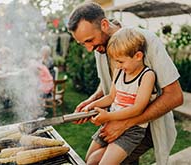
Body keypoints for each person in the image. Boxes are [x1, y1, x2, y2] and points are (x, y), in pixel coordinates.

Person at [67, 2, 183, 164]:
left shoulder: (147, 40)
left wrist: (125, 123)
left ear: (104, 24)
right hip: (116, 118)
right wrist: (91, 102)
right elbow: (111, 83)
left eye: (89, 40)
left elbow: (175, 96)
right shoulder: (100, 45)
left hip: (145, 126)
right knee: (92, 159)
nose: (88, 48)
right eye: (83, 44)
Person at [83, 28, 157, 164]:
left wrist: (108, 116)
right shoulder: (119, 71)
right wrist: (92, 105)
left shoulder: (147, 76)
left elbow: (138, 108)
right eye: (115, 61)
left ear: (138, 56)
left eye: (121, 61)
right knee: (90, 159)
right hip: (111, 122)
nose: (118, 65)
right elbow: (111, 97)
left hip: (132, 130)